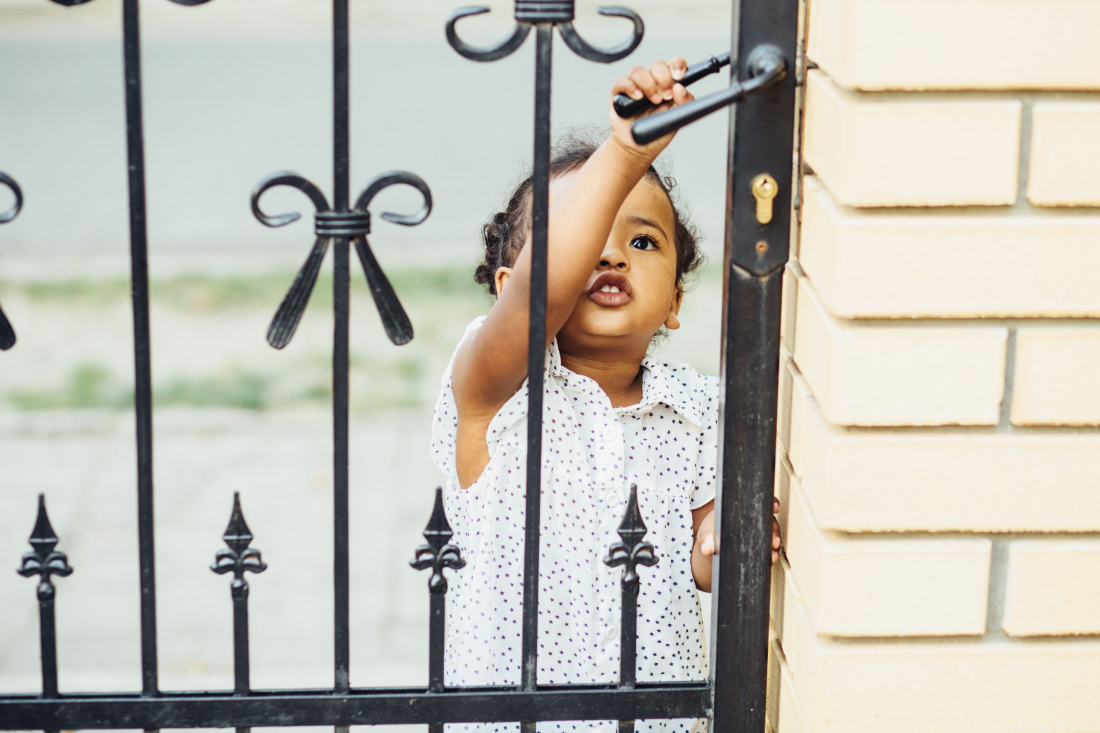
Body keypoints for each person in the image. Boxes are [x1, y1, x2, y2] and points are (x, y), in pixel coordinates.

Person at [430, 57, 782, 732]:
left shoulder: (698, 410)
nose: (611, 255)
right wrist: (625, 153)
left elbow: (705, 568)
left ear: (674, 301)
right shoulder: (495, 391)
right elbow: (541, 296)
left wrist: (729, 534)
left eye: (643, 241)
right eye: (586, 235)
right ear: (508, 287)